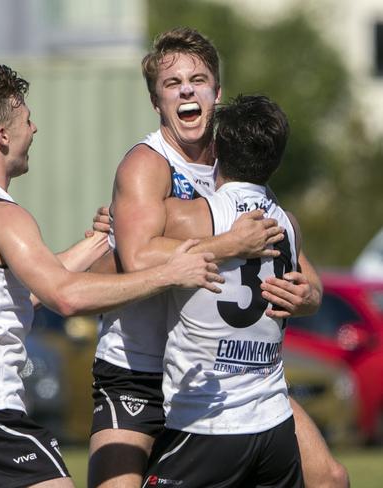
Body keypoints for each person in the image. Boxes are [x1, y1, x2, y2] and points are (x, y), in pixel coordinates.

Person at [0, 64, 225, 488]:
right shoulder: (2, 215)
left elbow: (24, 292)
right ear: (2, 135)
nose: (34, 128)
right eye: (25, 120)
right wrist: (169, 273)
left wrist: (102, 239)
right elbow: (65, 297)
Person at [88, 27, 349, 488]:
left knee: (329, 477)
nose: (186, 89)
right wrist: (227, 245)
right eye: (172, 84)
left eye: (198, 79)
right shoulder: (147, 165)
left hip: (223, 373)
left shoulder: (234, 162)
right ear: (157, 103)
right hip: (140, 366)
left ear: (217, 92)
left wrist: (306, 294)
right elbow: (138, 255)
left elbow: (301, 272)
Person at [143, 93, 303, 486]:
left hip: (208, 422)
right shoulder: (289, 224)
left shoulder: (190, 216)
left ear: (215, 148)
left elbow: (135, 252)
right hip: (275, 425)